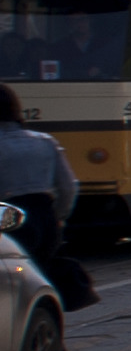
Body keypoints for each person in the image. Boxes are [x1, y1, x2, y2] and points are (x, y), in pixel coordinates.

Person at [0, 88, 97, 311]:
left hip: (9, 220)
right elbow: (68, 186)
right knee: (40, 278)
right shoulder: (45, 142)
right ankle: (46, 331)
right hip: (44, 218)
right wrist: (59, 217)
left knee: (13, 282)